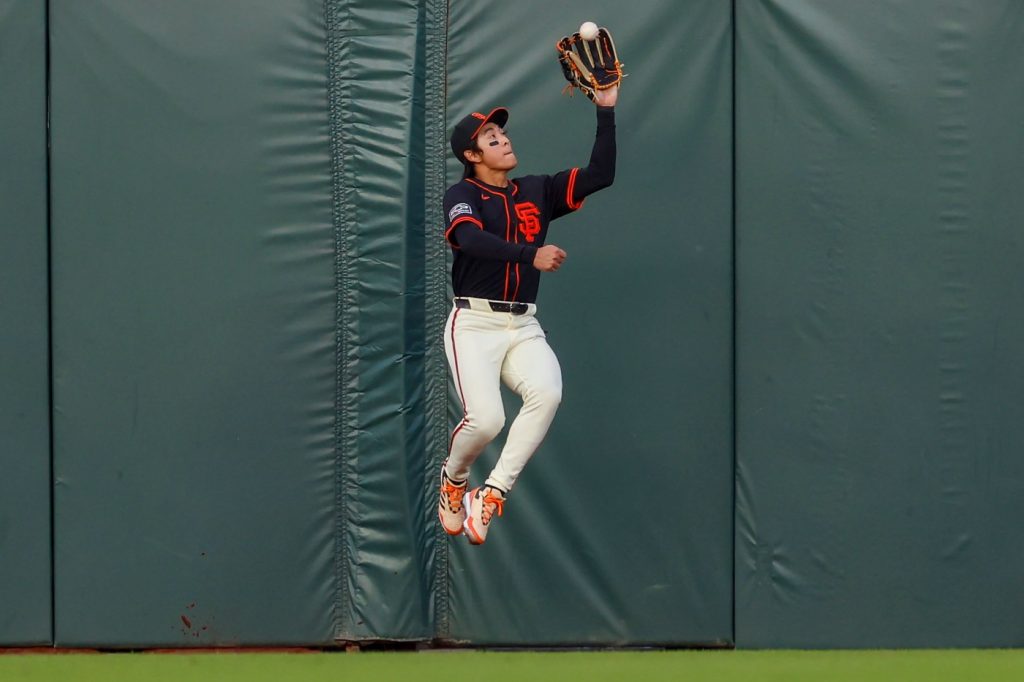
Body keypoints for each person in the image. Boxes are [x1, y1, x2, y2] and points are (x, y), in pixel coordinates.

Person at [437, 86, 619, 545]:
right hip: (474, 324)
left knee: (547, 393)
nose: (503, 140)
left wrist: (605, 109)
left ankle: (493, 492)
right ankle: (454, 480)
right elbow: (471, 241)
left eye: (502, 132)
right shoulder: (463, 193)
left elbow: (601, 173)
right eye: (491, 137)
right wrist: (529, 254)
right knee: (486, 421)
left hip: (521, 324)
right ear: (471, 154)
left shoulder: (536, 189)